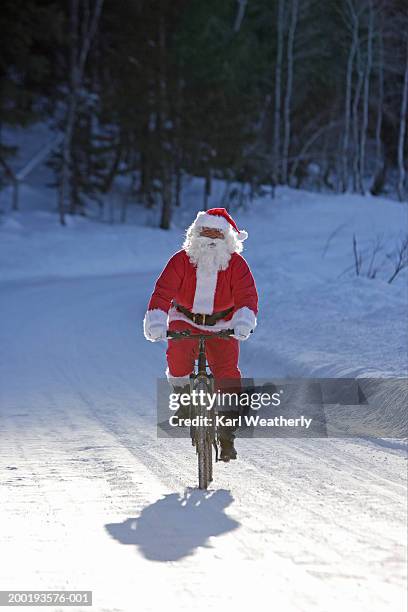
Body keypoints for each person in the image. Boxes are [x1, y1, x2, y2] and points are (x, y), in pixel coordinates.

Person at [143, 207, 258, 461]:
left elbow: (247, 295)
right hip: (185, 319)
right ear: (195, 235)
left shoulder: (236, 265)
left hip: (222, 324)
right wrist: (157, 320)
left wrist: (243, 320)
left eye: (216, 235)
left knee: (228, 374)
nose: (210, 240)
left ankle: (227, 435)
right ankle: (185, 402)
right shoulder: (181, 260)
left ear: (227, 239)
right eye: (205, 233)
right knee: (178, 360)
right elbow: (162, 292)